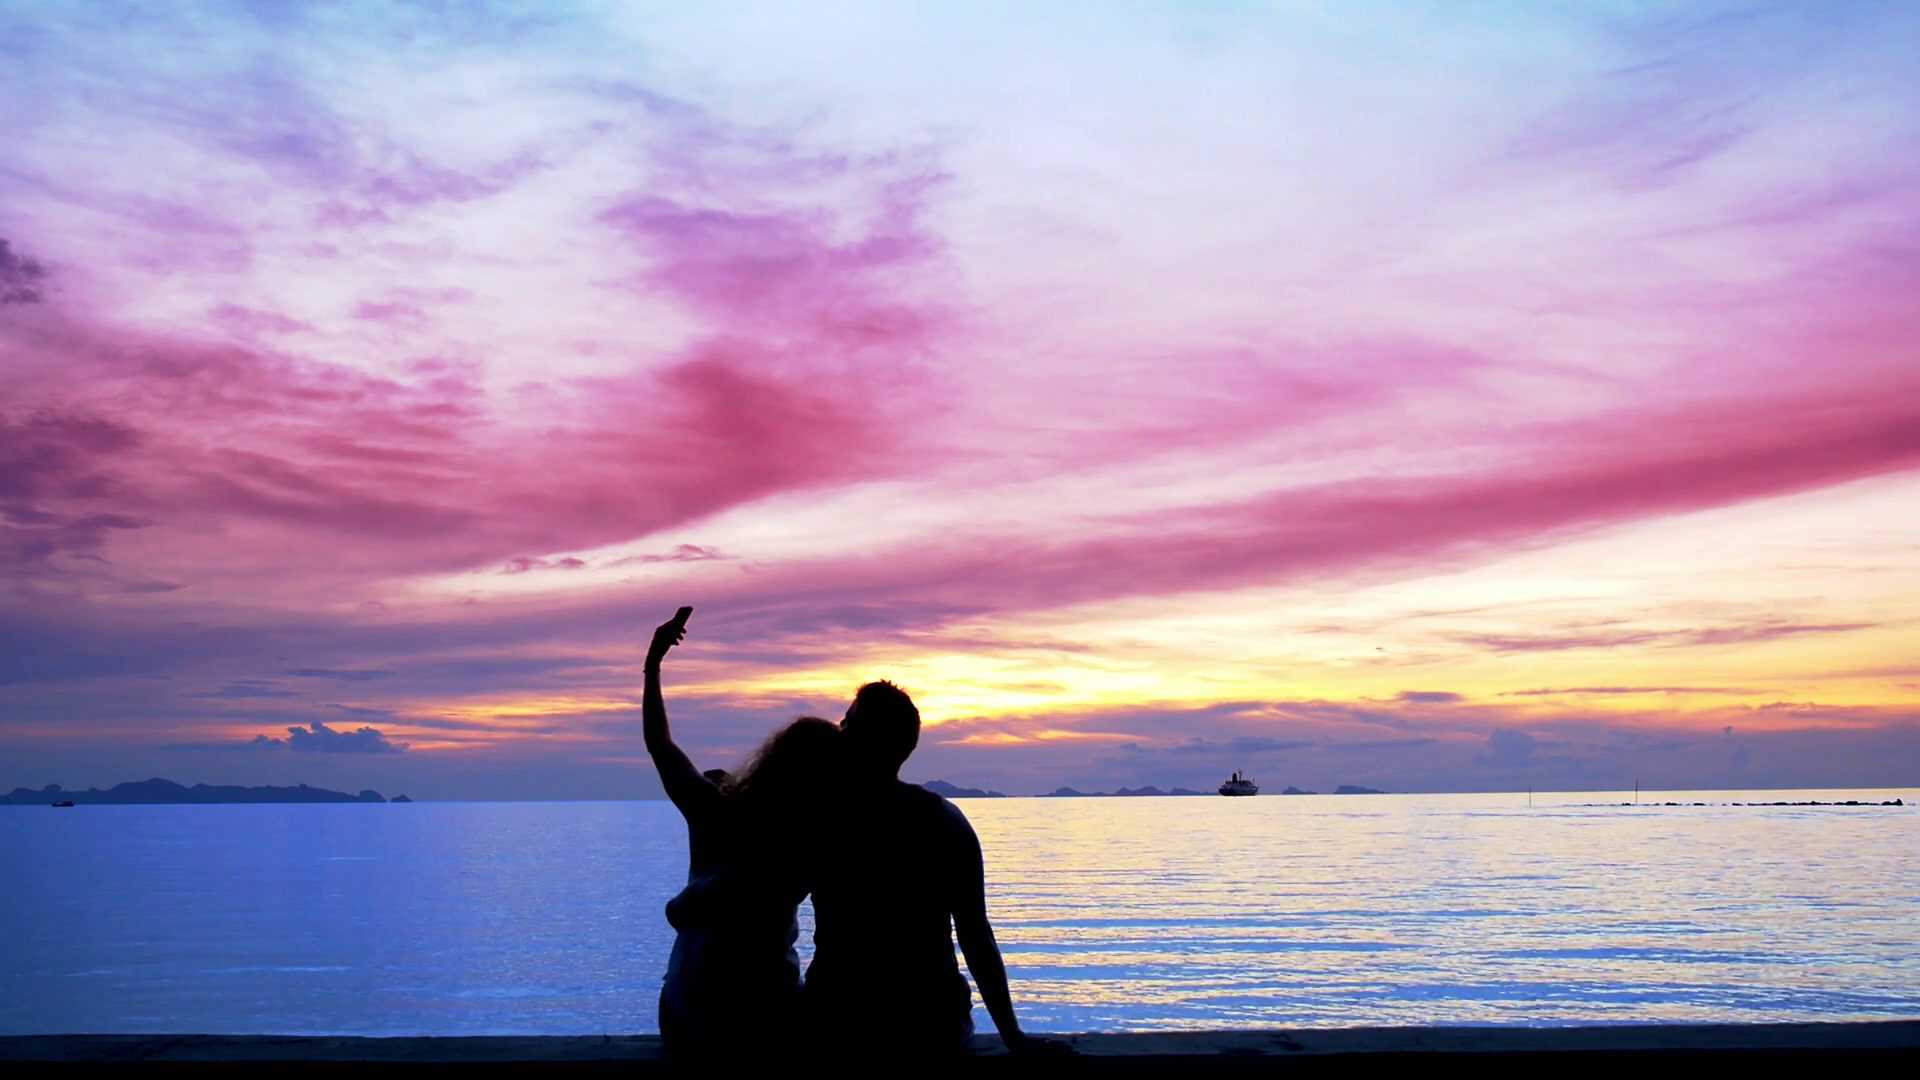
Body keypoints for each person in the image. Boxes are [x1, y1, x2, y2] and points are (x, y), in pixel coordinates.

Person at [805, 680, 1065, 1058]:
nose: (838, 729)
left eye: (847, 721)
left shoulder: (818, 819)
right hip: (932, 1022)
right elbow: (976, 935)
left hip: (841, 1021)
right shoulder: (946, 820)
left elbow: (764, 908)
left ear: (863, 735)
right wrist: (1013, 1037)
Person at [643, 606, 840, 1056]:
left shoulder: (715, 812)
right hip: (766, 1014)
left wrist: (653, 664)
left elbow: (660, 745)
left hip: (689, 1013)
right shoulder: (813, 841)